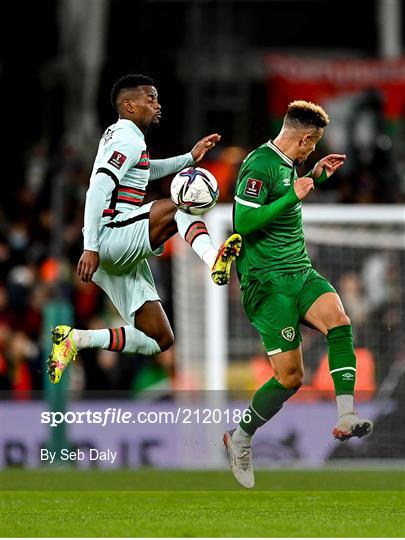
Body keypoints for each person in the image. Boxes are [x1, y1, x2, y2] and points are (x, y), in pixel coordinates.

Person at [47, 74, 241, 385]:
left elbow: (145, 171)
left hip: (116, 251)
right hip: (111, 236)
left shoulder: (124, 137)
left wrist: (189, 158)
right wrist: (91, 245)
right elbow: (98, 186)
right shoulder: (127, 136)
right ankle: (212, 257)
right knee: (181, 203)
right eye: (149, 98)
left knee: (160, 340)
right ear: (128, 105)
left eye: (157, 97)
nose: (157, 104)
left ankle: (77, 340)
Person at [223, 100, 373, 488]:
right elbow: (243, 221)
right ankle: (240, 437)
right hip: (266, 283)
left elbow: (288, 191)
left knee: (340, 320)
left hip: (299, 272)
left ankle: (345, 416)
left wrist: (315, 176)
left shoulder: (289, 164)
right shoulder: (258, 164)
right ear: (306, 137)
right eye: (313, 145)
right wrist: (295, 195)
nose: (312, 151)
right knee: (290, 379)